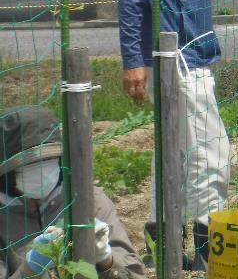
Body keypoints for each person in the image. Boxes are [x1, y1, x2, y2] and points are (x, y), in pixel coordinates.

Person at [119, 0, 232, 270]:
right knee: (210, 151)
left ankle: (161, 241)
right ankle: (207, 245)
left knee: (174, 151)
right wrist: (133, 59)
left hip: (195, 47)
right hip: (176, 54)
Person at [0, 106, 145, 279]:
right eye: (29, 166)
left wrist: (106, 259)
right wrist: (29, 271)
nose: (42, 174)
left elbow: (136, 275)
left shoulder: (88, 200)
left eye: (48, 161)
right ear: (7, 173)